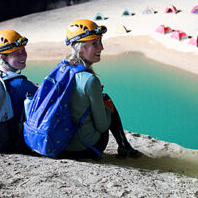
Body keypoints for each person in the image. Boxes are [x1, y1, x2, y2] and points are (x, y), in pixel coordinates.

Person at [58, 19, 140, 160]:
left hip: (60, 145)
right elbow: (102, 127)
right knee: (106, 100)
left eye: (100, 42)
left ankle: (124, 145)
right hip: (82, 149)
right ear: (80, 48)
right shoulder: (90, 80)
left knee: (102, 99)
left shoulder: (62, 68)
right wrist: (107, 110)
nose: (101, 48)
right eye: (94, 44)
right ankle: (124, 145)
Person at [0, 29, 38, 153]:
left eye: (23, 50)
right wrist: (30, 86)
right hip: (12, 144)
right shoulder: (20, 84)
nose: (23, 55)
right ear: (3, 56)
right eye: (16, 53)